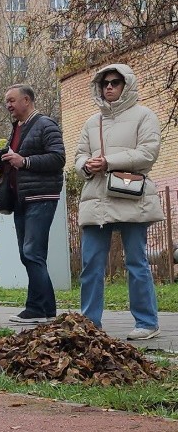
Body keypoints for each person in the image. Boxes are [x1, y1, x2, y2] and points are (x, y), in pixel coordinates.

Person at [75, 64, 165, 340]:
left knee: (136, 261)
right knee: (90, 263)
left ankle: (147, 322)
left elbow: (148, 153)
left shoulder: (144, 115)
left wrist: (109, 161)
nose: (109, 87)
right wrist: (87, 166)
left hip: (130, 194)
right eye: (105, 83)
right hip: (96, 198)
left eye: (116, 82)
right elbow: (78, 157)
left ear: (127, 85)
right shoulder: (92, 122)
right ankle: (90, 324)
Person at [0, 84, 65, 325]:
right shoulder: (17, 128)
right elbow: (18, 163)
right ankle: (43, 309)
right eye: (6, 101)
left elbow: (58, 157)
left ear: (27, 100)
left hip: (40, 198)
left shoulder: (45, 124)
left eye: (12, 100)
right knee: (29, 255)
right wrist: (5, 163)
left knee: (32, 253)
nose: (8, 105)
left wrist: (23, 161)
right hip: (20, 199)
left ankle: (39, 309)